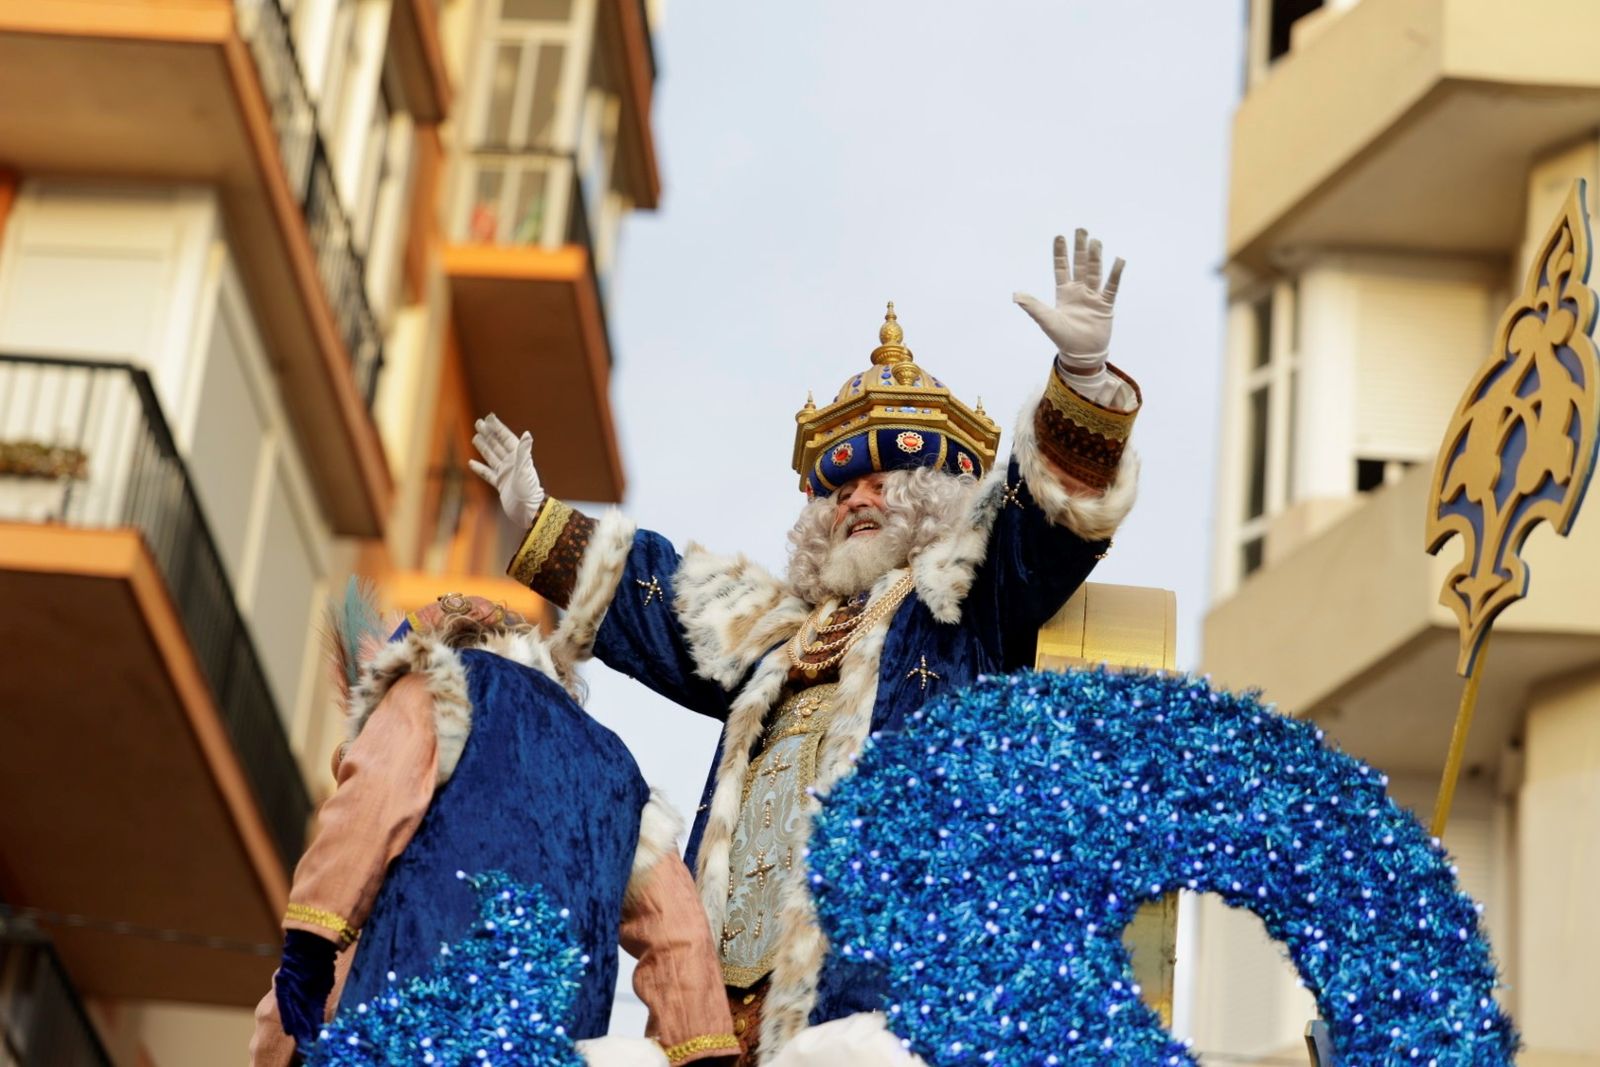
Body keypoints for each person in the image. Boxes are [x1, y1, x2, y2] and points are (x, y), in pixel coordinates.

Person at [471, 231, 1142, 1065]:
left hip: (879, 991)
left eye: (880, 479)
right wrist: (538, 514)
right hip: (725, 1001)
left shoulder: (962, 598)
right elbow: (662, 594)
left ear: (931, 495)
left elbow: (1039, 524)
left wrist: (1082, 382)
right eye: (839, 485)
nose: (855, 498)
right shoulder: (775, 629)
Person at [248, 592, 739, 1067]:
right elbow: (680, 936)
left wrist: (307, 950)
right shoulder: (617, 768)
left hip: (408, 1029)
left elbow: (364, 812)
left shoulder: (437, 683)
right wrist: (695, 1046)